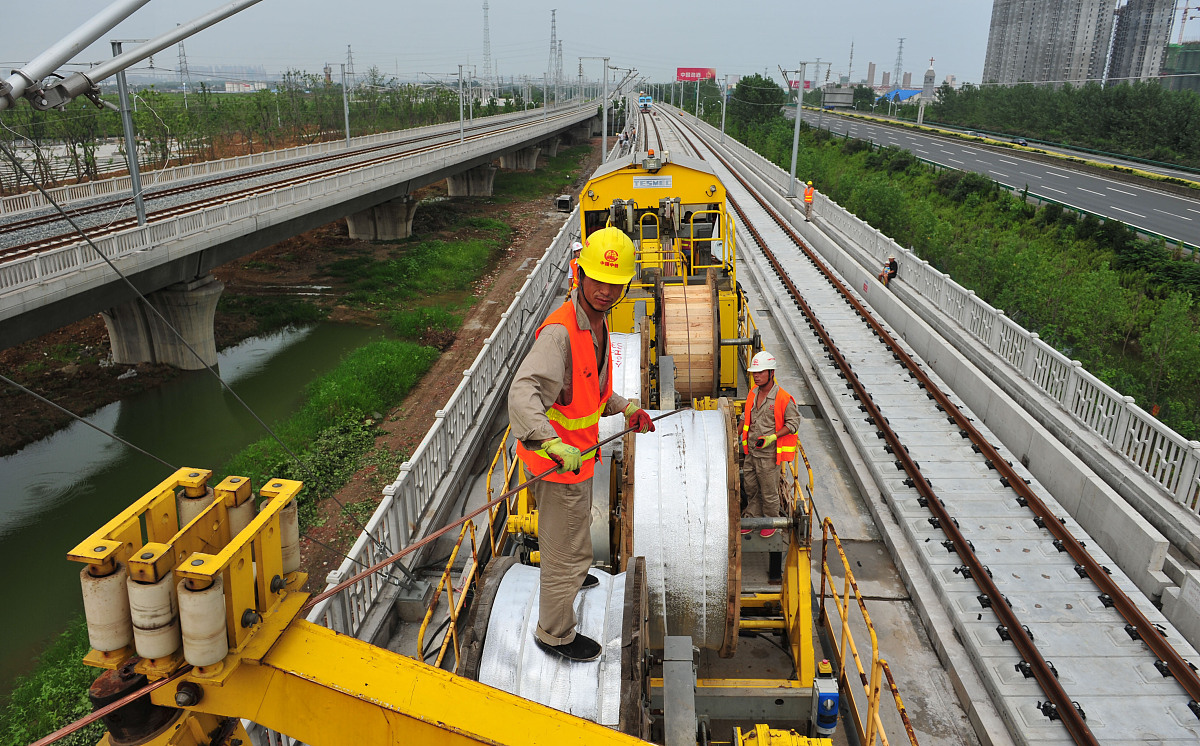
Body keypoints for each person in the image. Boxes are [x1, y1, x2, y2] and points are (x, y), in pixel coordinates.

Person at [508, 227, 656, 662]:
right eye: (598, 280)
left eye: (615, 283)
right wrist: (551, 443)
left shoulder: (596, 323)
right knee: (565, 553)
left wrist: (626, 408)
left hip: (579, 460)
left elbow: (590, 391)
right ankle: (555, 633)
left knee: (573, 540)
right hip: (558, 466)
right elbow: (522, 392)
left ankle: (573, 574)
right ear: (580, 274)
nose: (606, 291)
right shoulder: (560, 334)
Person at [739, 351, 800, 540]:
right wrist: (734, 434)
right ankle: (752, 517)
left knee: (768, 491)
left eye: (760, 372)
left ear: (771, 373)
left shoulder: (783, 398)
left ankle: (771, 521)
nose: (756, 376)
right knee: (751, 487)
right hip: (751, 452)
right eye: (754, 373)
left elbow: (793, 423)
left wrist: (772, 437)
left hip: (768, 455)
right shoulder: (753, 393)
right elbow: (745, 417)